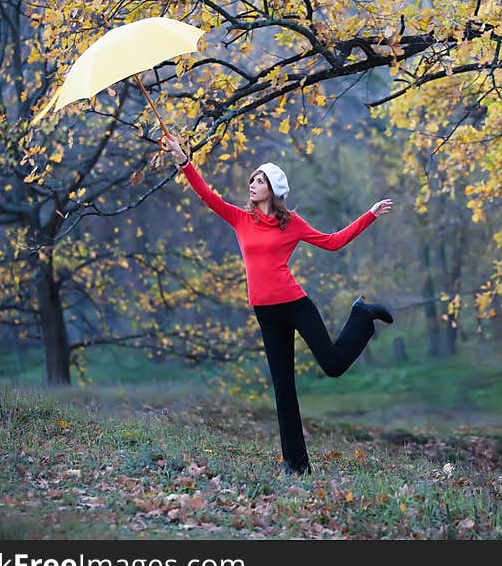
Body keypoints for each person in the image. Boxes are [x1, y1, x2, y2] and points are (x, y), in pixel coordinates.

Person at [161, 134, 394, 475]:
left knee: (332, 364)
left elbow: (332, 242)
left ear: (273, 188)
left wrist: (369, 215)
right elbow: (207, 195)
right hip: (266, 314)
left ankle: (361, 314)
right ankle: (296, 466)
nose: (252, 184)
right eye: (252, 180)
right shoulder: (241, 219)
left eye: (260, 180)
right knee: (283, 389)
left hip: (295, 304)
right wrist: (183, 159)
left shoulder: (291, 223)